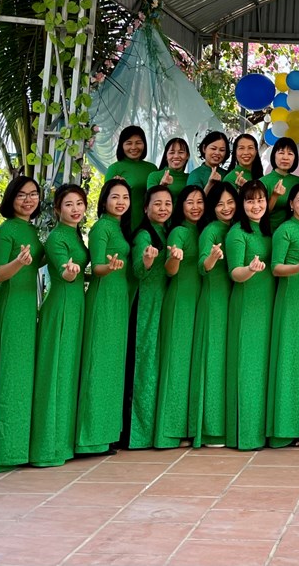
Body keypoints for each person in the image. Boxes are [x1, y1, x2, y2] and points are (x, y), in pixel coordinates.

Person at [0, 177, 44, 473]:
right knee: (6, 378)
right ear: (10, 199)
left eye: (33, 194)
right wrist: (19, 262)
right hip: (10, 309)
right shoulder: (6, 231)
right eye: (21, 195)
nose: (28, 200)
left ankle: (16, 448)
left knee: (20, 380)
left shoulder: (31, 228)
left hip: (28, 309)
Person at [29, 184, 89, 467]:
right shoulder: (56, 238)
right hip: (62, 308)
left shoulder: (74, 234)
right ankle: (48, 447)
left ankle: (64, 442)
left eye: (79, 203)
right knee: (56, 374)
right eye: (68, 204)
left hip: (75, 307)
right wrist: (70, 271)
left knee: (67, 373)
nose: (75, 209)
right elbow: (65, 272)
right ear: (56, 209)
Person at [75, 178, 133, 456]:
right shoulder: (101, 228)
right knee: (98, 365)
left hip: (118, 299)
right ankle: (90, 438)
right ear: (104, 201)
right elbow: (96, 266)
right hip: (104, 298)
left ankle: (106, 434)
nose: (120, 202)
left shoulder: (119, 228)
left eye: (125, 197)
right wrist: (109, 268)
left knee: (112, 367)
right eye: (115, 197)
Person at [152, 185, 206, 448]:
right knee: (176, 364)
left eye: (199, 202)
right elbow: (170, 270)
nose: (195, 207)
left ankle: (186, 427)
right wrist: (174, 257)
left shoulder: (202, 231)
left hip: (197, 301)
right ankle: (168, 431)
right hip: (180, 302)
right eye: (189, 202)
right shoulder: (179, 232)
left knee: (190, 366)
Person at [224, 180, 275, 450]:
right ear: (242, 205)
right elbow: (235, 273)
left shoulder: (268, 231)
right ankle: (244, 434)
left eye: (260, 200)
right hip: (246, 307)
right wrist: (250, 270)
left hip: (267, 305)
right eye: (250, 201)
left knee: (263, 369)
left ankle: (262, 431)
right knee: (247, 368)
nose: (256, 206)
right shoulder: (237, 233)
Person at [266, 183, 299, 447]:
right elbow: (275, 268)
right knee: (288, 359)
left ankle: (296, 426)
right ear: (291, 204)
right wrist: (297, 268)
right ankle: (282, 430)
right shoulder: (285, 229)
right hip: (290, 298)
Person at [187, 181, 237, 447]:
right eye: (219, 204)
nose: (226, 208)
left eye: (230, 202)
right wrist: (213, 258)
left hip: (233, 299)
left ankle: (225, 425)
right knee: (213, 361)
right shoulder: (211, 231)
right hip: (214, 300)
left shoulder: (237, 228)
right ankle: (209, 428)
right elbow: (202, 266)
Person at [127, 184, 173, 449]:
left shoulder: (167, 231)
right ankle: (137, 434)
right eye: (157, 203)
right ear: (145, 208)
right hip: (145, 304)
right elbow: (138, 269)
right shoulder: (143, 234)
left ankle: (155, 428)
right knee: (143, 365)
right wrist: (146, 259)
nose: (163, 208)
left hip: (162, 302)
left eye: (167, 203)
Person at [104, 125, 158, 233]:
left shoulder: (152, 168)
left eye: (138, 143)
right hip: (123, 225)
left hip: (150, 224)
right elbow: (106, 201)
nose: (134, 147)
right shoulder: (114, 168)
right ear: (121, 145)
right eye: (129, 143)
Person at [262, 136, 299, 232]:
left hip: (295, 233)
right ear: (274, 155)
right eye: (281, 153)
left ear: (295, 158)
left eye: (290, 153)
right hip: (269, 233)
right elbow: (260, 213)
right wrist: (274, 196)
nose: (285, 157)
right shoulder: (263, 182)